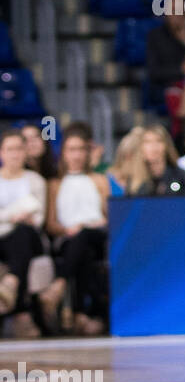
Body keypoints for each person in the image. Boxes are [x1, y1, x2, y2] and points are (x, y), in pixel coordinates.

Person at [40, 123, 110, 336]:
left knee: (85, 236)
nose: (76, 155)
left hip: (98, 234)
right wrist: (66, 230)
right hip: (69, 238)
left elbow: (110, 216)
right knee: (82, 247)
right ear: (63, 153)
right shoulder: (55, 184)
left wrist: (89, 226)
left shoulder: (98, 179)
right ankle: (81, 314)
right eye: (71, 149)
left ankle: (58, 285)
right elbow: (51, 224)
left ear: (87, 152)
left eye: (81, 149)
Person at [0, 129, 47, 339]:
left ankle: (10, 285)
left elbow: (39, 217)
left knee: (23, 232)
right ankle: (21, 312)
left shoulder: (36, 180)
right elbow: (27, 211)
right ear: (1, 152)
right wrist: (14, 215)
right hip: (2, 238)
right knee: (17, 233)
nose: (15, 154)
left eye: (19, 149)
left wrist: (7, 217)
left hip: (29, 237)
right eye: (10, 149)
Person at [124, 124, 185, 195]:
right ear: (140, 147)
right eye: (147, 142)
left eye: (159, 141)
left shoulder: (179, 175)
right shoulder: (134, 179)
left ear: (166, 145)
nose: (154, 146)